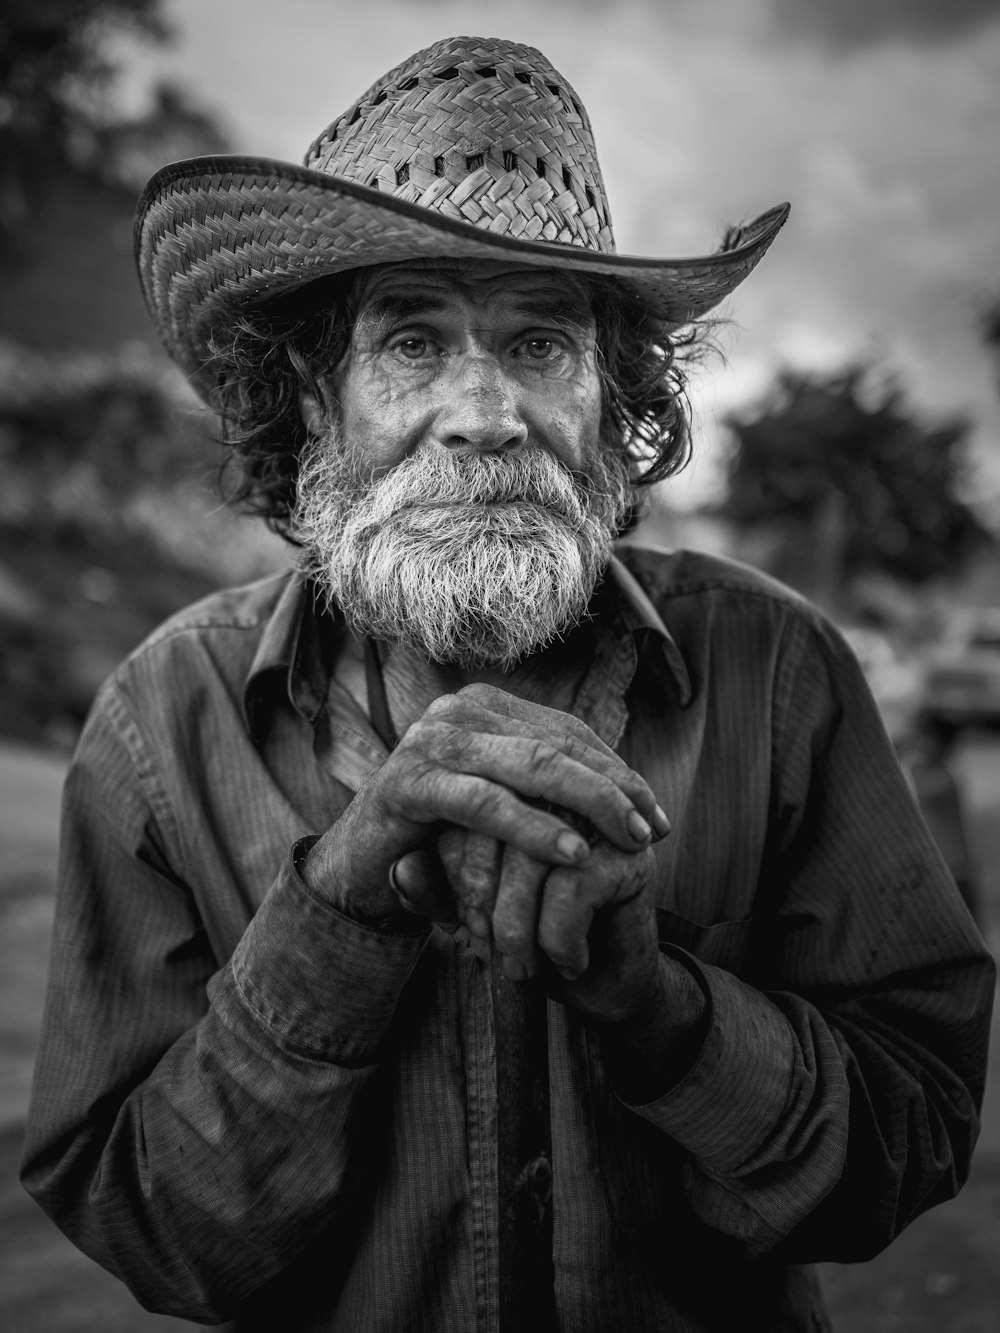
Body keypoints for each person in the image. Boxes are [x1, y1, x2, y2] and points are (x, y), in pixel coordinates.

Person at [21, 34, 994, 1333]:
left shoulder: (777, 674)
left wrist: (660, 1010)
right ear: (318, 393)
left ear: (612, 397)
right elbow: (149, 1221)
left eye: (539, 342)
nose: (484, 411)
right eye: (412, 341)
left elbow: (914, 1129)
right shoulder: (166, 719)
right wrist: (335, 914)